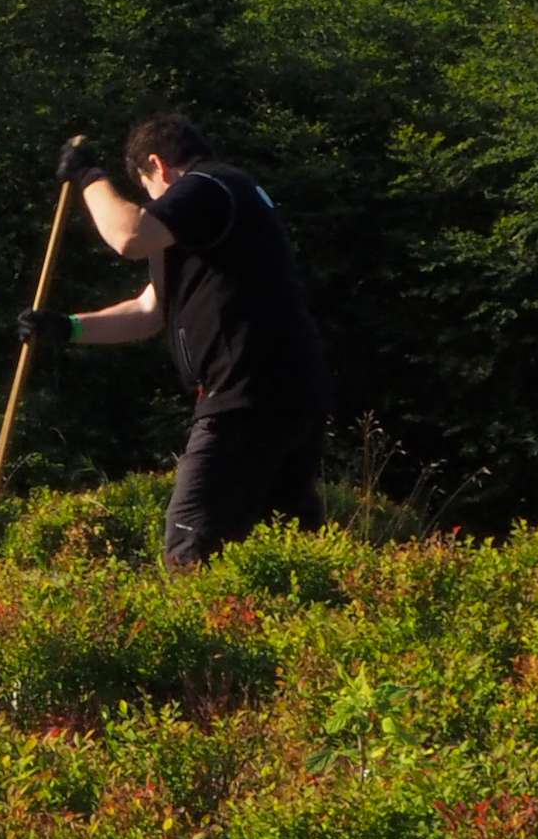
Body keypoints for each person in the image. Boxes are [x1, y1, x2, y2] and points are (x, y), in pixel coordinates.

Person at [18, 114, 332, 570]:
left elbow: (127, 235)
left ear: (158, 166)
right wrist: (66, 326)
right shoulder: (213, 215)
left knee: (192, 535)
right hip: (284, 391)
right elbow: (149, 313)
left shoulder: (210, 186)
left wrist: (89, 177)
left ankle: (200, 635)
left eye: (147, 187)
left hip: (246, 393)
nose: (153, 202)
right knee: (284, 540)